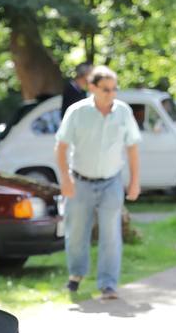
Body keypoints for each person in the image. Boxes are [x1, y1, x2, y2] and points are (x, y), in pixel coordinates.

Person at [53, 66, 141, 299]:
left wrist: (134, 181)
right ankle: (76, 275)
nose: (111, 94)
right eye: (106, 89)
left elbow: (132, 147)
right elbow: (61, 148)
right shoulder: (77, 112)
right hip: (79, 181)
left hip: (111, 181)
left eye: (114, 89)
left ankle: (108, 284)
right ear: (92, 87)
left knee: (111, 234)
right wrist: (65, 178)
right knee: (76, 233)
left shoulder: (123, 112)